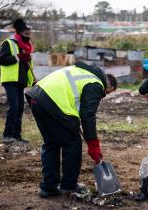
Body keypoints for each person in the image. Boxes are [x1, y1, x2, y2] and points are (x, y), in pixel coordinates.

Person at [25, 61, 117, 198]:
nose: (104, 96)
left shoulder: (81, 72)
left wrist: (75, 122)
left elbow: (80, 109)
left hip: (37, 99)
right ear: (108, 86)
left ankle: (48, 187)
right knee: (73, 144)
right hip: (53, 103)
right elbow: (88, 116)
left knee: (51, 144)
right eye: (107, 93)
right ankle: (68, 185)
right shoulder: (95, 84)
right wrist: (93, 145)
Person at [0, 18, 35, 144]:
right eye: (26, 33)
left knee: (19, 108)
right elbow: (2, 60)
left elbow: (27, 67)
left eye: (29, 34)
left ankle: (17, 135)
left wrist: (32, 81)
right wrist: (18, 57)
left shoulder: (27, 48)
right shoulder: (8, 43)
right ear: (19, 32)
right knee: (13, 107)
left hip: (21, 81)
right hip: (10, 80)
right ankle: (7, 135)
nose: (28, 35)